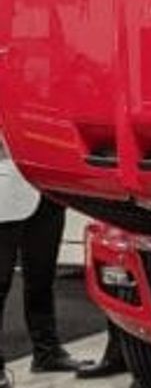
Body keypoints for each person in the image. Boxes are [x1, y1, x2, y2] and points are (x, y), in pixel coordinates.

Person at [0, 140, 89, 387]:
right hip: (4, 190)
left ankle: (47, 353)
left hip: (47, 192)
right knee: (1, 282)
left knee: (41, 278)